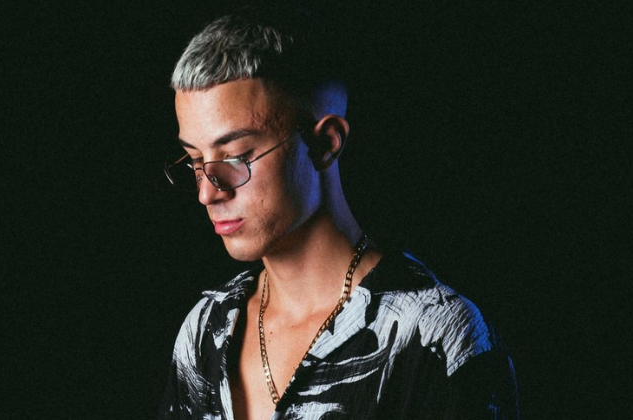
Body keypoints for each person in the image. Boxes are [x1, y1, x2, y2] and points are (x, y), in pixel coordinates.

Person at [159, 6, 519, 420]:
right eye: (195, 160)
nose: (207, 191)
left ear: (326, 144)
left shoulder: (435, 337)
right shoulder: (204, 332)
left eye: (236, 156)